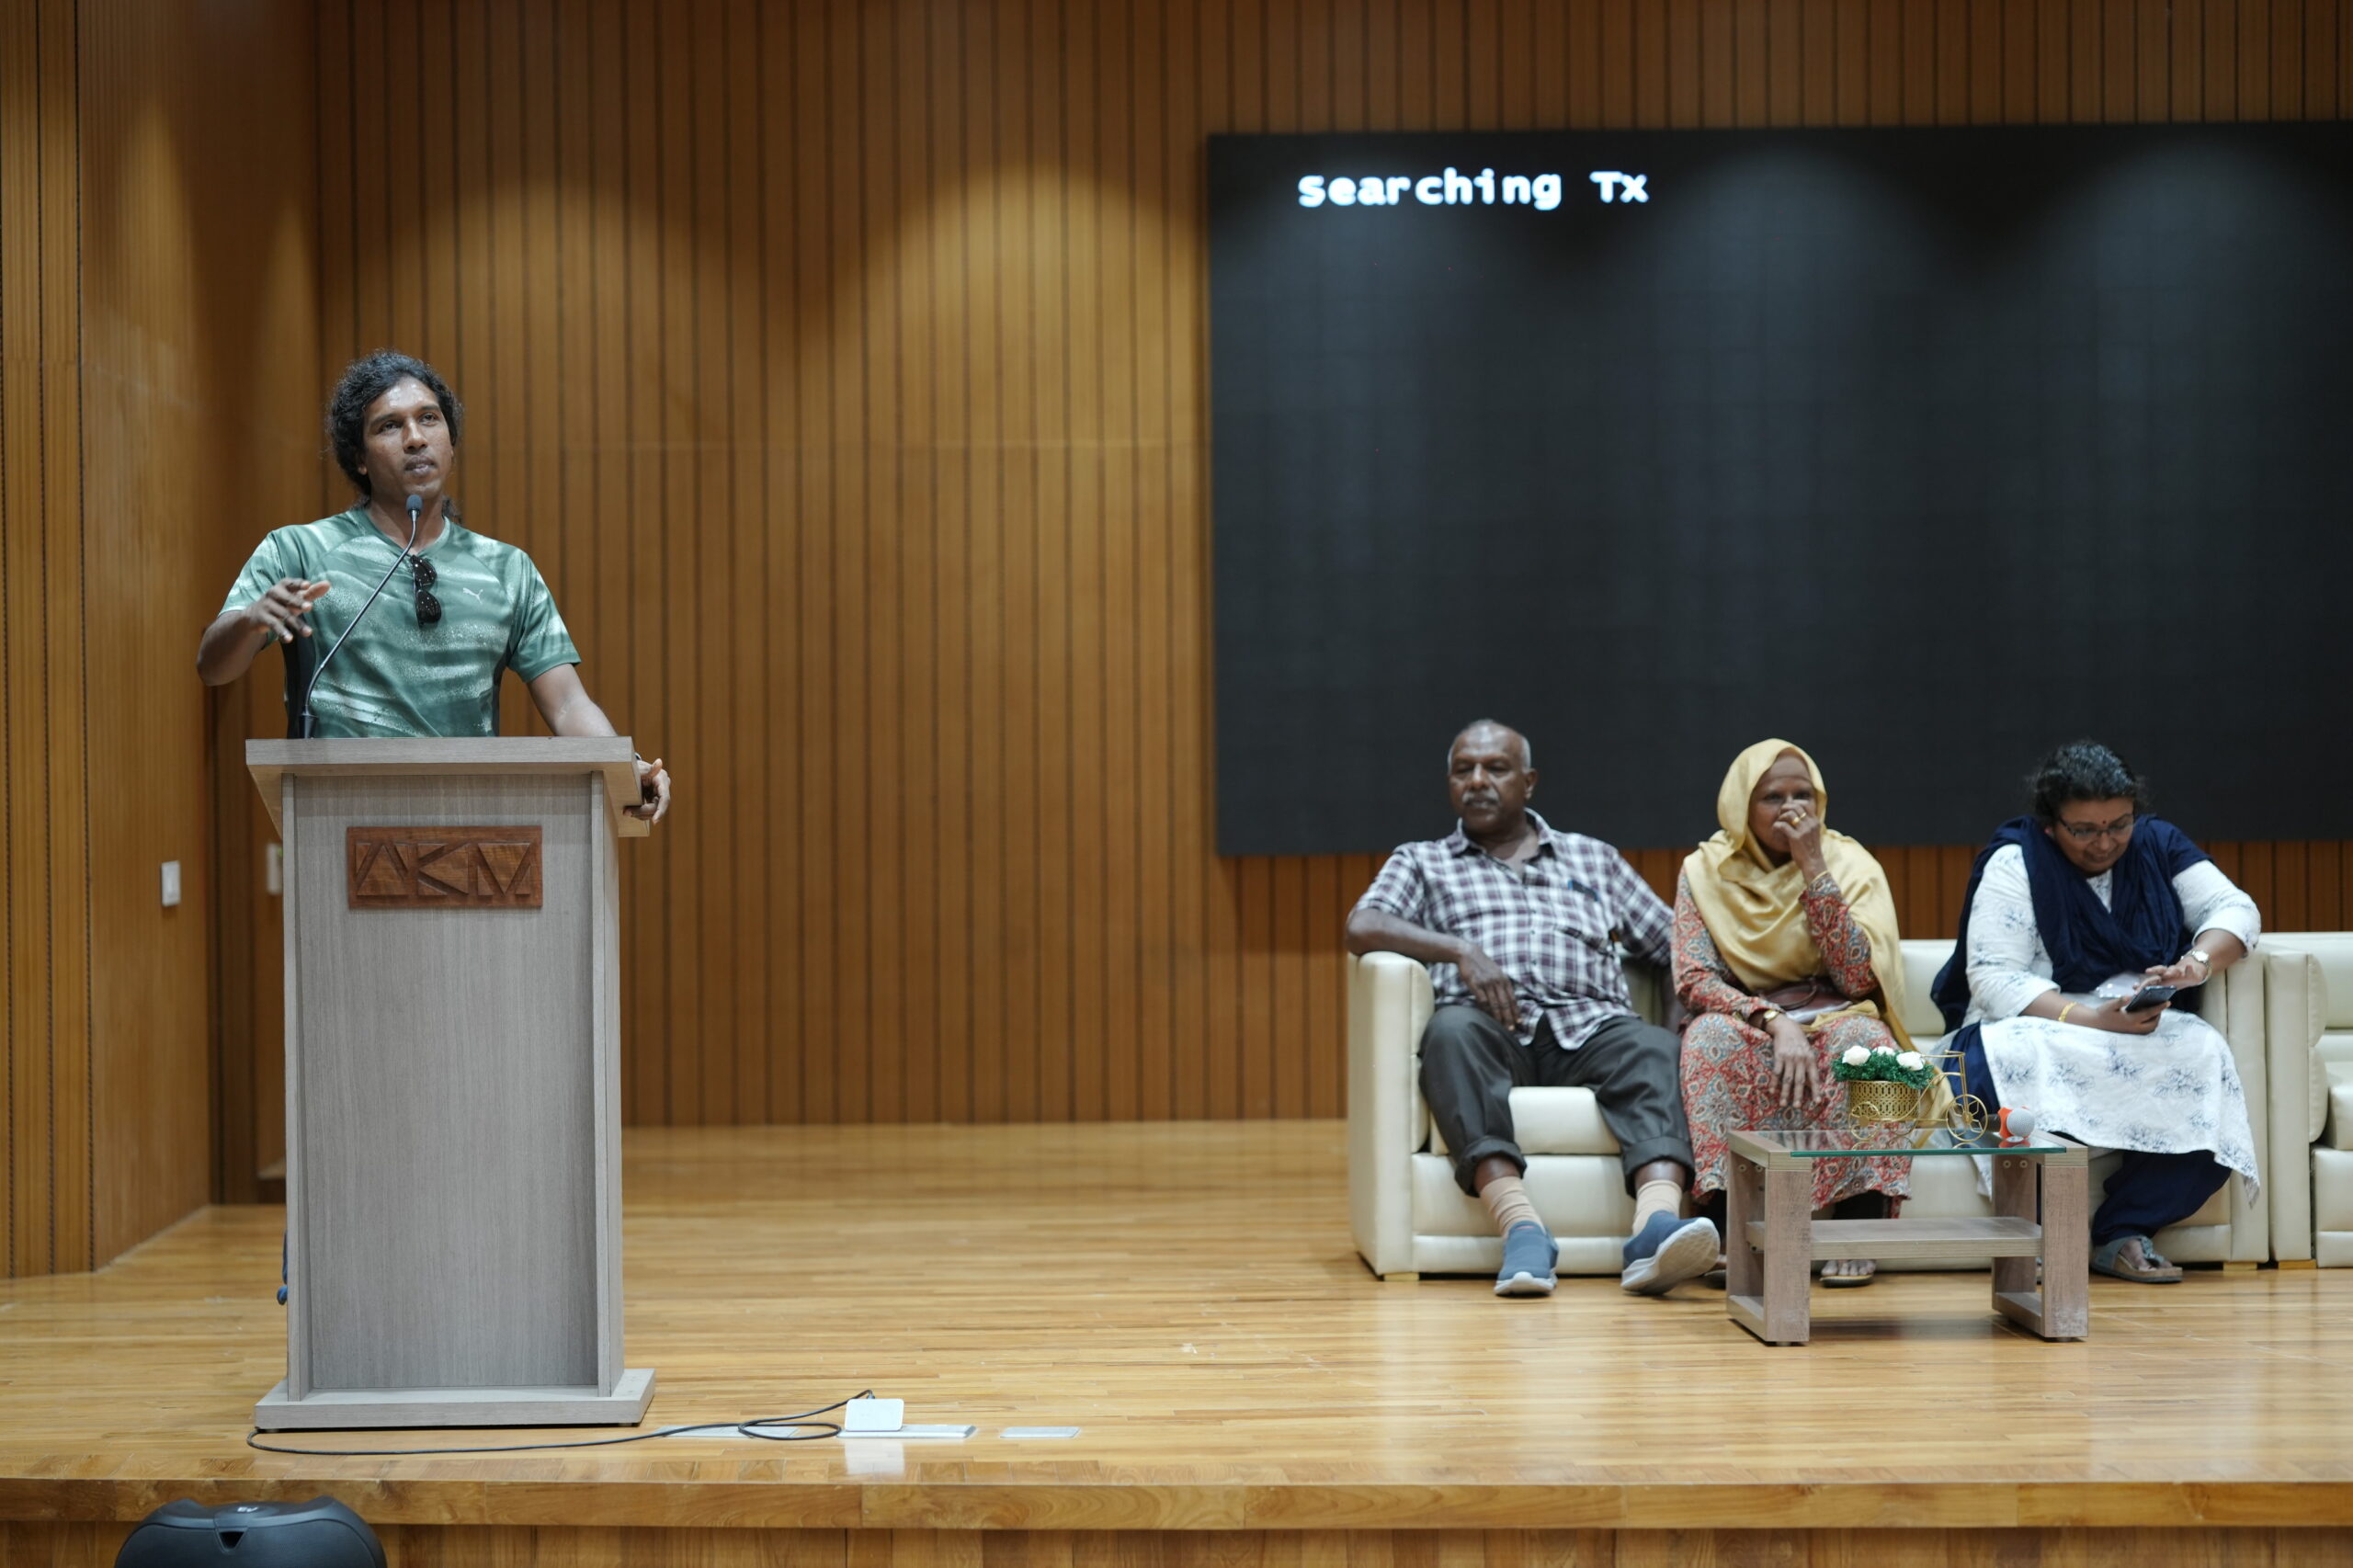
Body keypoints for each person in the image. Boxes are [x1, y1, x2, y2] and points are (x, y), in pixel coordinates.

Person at [197, 350, 672, 823]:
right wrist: (249, 621)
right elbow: (213, 668)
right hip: (337, 820)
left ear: (451, 443)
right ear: (359, 459)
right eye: (389, 426)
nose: (415, 438)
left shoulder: (508, 569)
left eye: (429, 419)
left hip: (470, 823)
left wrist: (625, 770)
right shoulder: (298, 550)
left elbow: (567, 703)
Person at [1345, 720, 1718, 1299]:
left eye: (1495, 768)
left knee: (1655, 1047)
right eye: (1463, 770)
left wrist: (1675, 1026)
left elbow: (1674, 947)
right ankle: (1522, 1228)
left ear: (1529, 781)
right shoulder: (1422, 862)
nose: (1477, 781)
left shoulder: (1592, 858)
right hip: (1487, 1032)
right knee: (1448, 1032)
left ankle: (1654, 1229)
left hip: (1592, 1027)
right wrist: (1460, 950)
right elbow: (1362, 924)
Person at [1930, 742, 2259, 1283]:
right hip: (2041, 1020)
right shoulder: (2017, 860)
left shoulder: (2158, 845)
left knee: (2202, 1053)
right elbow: (1993, 978)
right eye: (2084, 830)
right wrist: (2092, 1019)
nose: (2104, 843)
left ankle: (2124, 1231)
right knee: (2009, 1056)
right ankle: (2034, 1233)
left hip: (2133, 1018)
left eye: (2119, 825)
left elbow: (2234, 908)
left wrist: (2195, 964)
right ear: (2051, 824)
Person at [1674, 741, 1915, 1287]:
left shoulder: (1850, 863)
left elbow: (1858, 979)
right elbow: (1693, 978)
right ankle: (1730, 1227)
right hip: (1749, 1020)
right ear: (1741, 806)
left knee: (1873, 1049)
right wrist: (1771, 1020)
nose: (1791, 809)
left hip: (1837, 1013)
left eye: (1802, 795)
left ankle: (1860, 1222)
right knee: (1707, 1039)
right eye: (1772, 797)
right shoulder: (1704, 871)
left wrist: (1814, 870)